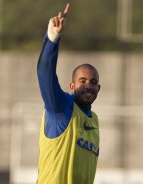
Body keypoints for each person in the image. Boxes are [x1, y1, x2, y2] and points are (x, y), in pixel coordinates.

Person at [36, 3, 101, 184]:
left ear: (99, 88)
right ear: (72, 86)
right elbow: (44, 73)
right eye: (82, 81)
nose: (88, 86)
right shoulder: (61, 108)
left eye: (93, 82)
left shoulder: (94, 120)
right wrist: (52, 38)